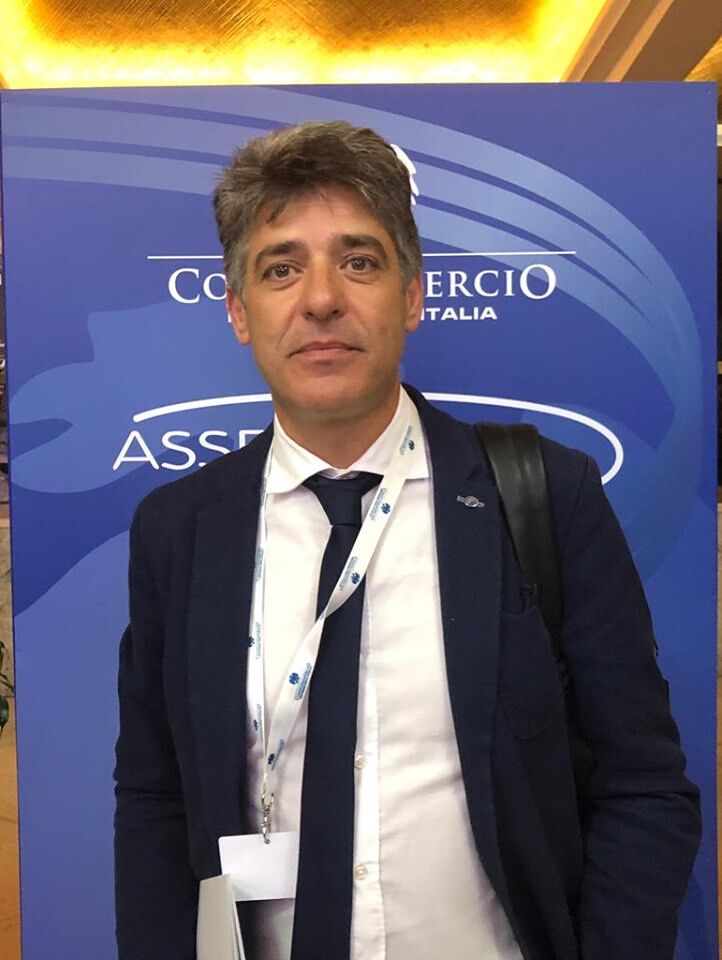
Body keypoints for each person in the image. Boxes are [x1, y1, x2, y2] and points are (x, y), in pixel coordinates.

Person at [113, 119, 701, 960]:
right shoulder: (179, 530)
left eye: (359, 262)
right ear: (239, 312)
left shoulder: (546, 494)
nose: (321, 299)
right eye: (281, 268)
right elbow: (156, 796)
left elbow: (641, 781)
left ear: (414, 296)